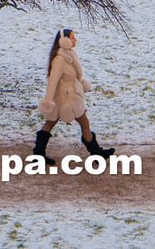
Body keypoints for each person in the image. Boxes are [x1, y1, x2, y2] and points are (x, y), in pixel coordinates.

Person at [32, 27, 115, 165]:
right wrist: (48, 100)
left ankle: (38, 154)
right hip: (65, 100)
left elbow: (74, 76)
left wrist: (82, 85)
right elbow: (53, 81)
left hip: (70, 97)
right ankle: (96, 154)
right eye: (72, 37)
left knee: (52, 123)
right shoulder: (60, 59)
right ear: (64, 41)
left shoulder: (69, 55)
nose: (75, 39)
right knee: (82, 122)